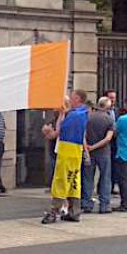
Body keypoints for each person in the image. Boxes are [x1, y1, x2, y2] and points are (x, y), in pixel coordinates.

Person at [42, 90, 89, 224]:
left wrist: (62, 113)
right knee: (74, 181)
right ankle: (74, 211)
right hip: (76, 150)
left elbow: (59, 129)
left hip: (67, 149)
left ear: (78, 99)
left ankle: (53, 212)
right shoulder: (83, 113)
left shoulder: (74, 115)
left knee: (61, 181)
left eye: (73, 98)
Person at [83, 97, 115, 213]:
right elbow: (108, 138)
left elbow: (83, 135)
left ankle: (86, 203)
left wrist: (87, 147)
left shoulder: (89, 117)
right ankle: (104, 204)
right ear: (108, 107)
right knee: (105, 177)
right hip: (103, 152)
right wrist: (96, 146)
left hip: (89, 152)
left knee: (88, 178)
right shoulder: (109, 119)